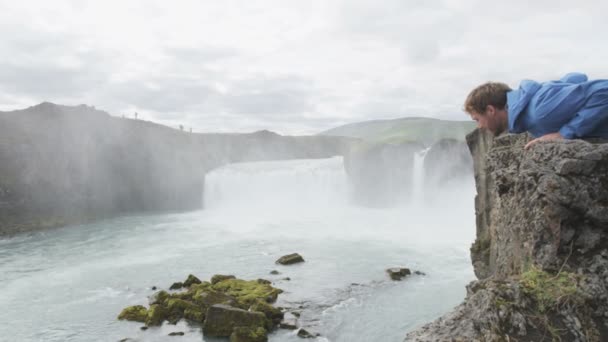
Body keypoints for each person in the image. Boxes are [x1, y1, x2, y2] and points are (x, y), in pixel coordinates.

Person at [464, 72, 608, 149]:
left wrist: (564, 133)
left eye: (477, 119)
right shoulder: (530, 113)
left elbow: (604, 91)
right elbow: (577, 78)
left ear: (490, 110)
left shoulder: (539, 110)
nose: (480, 126)